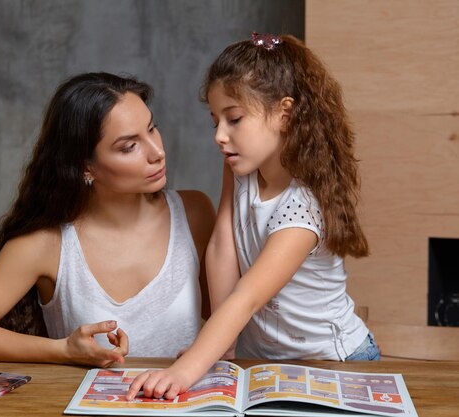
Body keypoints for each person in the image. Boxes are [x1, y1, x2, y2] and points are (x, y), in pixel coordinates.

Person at [127, 33, 378, 400]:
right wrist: (223, 345)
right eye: (215, 121)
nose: (219, 136)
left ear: (285, 115)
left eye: (234, 119)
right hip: (264, 362)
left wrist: (184, 370)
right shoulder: (241, 168)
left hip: (333, 362)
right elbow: (222, 246)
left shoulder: (303, 206)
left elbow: (249, 296)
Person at [0, 72, 215, 367]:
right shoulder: (47, 243)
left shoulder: (194, 212)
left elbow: (226, 316)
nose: (157, 152)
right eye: (128, 146)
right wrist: (64, 350)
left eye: (152, 129)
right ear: (86, 167)